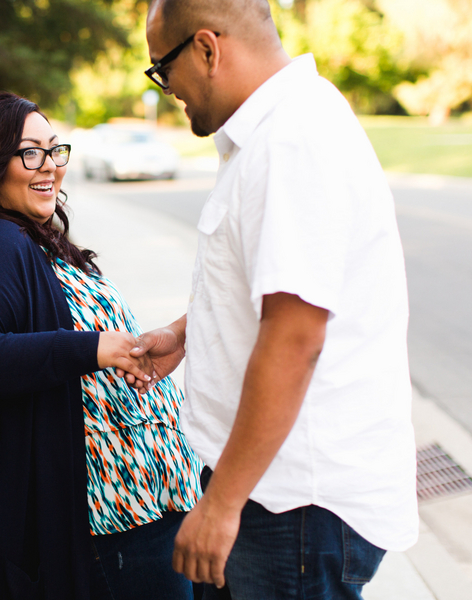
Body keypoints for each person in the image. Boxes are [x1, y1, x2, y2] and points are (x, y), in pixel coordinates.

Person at [129, 0, 419, 598]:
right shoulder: (268, 132)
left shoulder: (292, 139)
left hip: (292, 507)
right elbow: (274, 290)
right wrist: (187, 334)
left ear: (207, 49)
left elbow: (295, 337)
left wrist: (221, 504)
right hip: (271, 496)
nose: (165, 89)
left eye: (163, 69)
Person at [0, 91, 204, 600]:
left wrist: (153, 344)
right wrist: (88, 350)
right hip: (113, 524)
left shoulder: (34, 239)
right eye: (30, 153)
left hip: (153, 508)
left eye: (55, 150)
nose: (49, 166)